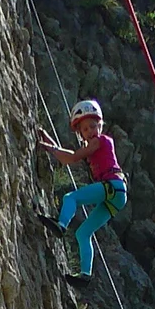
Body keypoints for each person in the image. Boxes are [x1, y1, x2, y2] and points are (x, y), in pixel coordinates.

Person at [37, 99, 128, 279]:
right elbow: (67, 156)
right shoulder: (92, 148)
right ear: (80, 133)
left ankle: (61, 225)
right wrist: (48, 140)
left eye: (93, 126)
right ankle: (85, 274)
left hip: (112, 186)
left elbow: (73, 157)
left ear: (100, 126)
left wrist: (49, 148)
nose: (90, 132)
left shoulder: (100, 141)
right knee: (83, 233)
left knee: (71, 198)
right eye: (85, 129)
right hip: (117, 195)